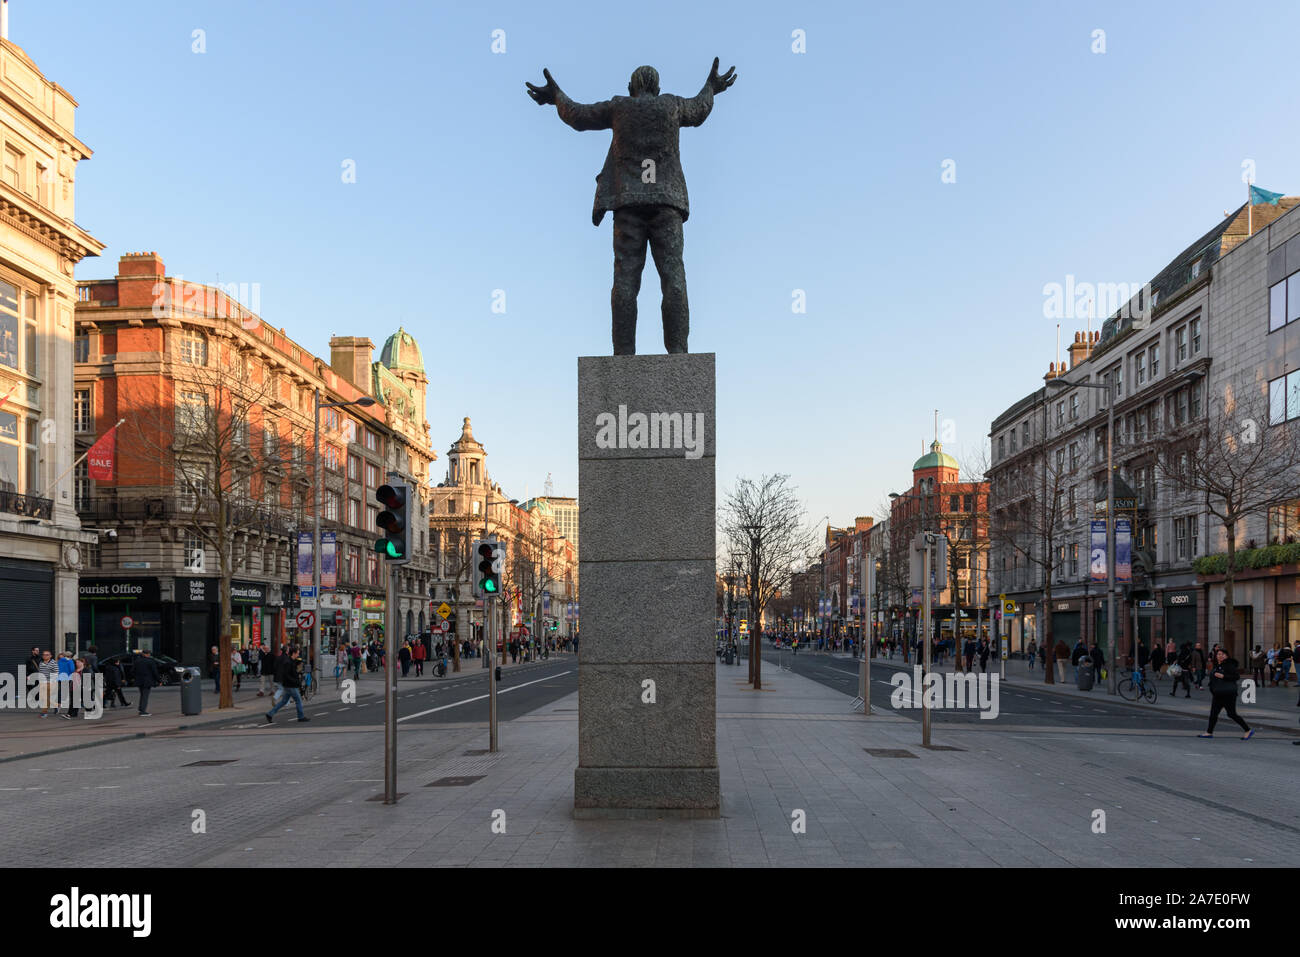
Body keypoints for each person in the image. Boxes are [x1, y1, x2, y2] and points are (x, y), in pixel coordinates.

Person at [1198, 648, 1253, 739]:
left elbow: (1236, 676)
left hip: (1228, 694)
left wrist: (1223, 676)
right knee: (1214, 713)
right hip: (1218, 693)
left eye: (1222, 654)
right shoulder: (1217, 665)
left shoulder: (1229, 665)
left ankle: (1248, 730)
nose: (1220, 656)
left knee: (1231, 714)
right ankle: (1209, 732)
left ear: (1226, 656)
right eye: (1218, 654)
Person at [266, 649, 309, 723]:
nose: (298, 655)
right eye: (297, 653)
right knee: (298, 700)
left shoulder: (291, 661)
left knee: (284, 701)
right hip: (290, 685)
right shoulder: (288, 662)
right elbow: (287, 675)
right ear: (293, 653)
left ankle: (270, 714)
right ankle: (301, 717)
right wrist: (296, 681)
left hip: (288, 685)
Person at [133, 650, 161, 716]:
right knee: (145, 696)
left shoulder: (137, 661)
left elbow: (132, 671)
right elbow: (155, 672)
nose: (149, 655)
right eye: (149, 654)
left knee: (142, 695)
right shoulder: (150, 661)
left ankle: (141, 708)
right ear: (147, 654)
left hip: (139, 681)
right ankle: (142, 711)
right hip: (147, 681)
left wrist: (136, 677)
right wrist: (159, 681)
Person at [36, 650, 56, 716]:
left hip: (50, 682)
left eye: (47, 655)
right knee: (43, 698)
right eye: (44, 655)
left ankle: (44, 712)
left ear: (50, 656)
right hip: (42, 683)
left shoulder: (53, 663)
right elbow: (40, 672)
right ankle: (56, 705)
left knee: (46, 698)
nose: (45, 656)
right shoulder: (41, 663)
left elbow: (56, 673)